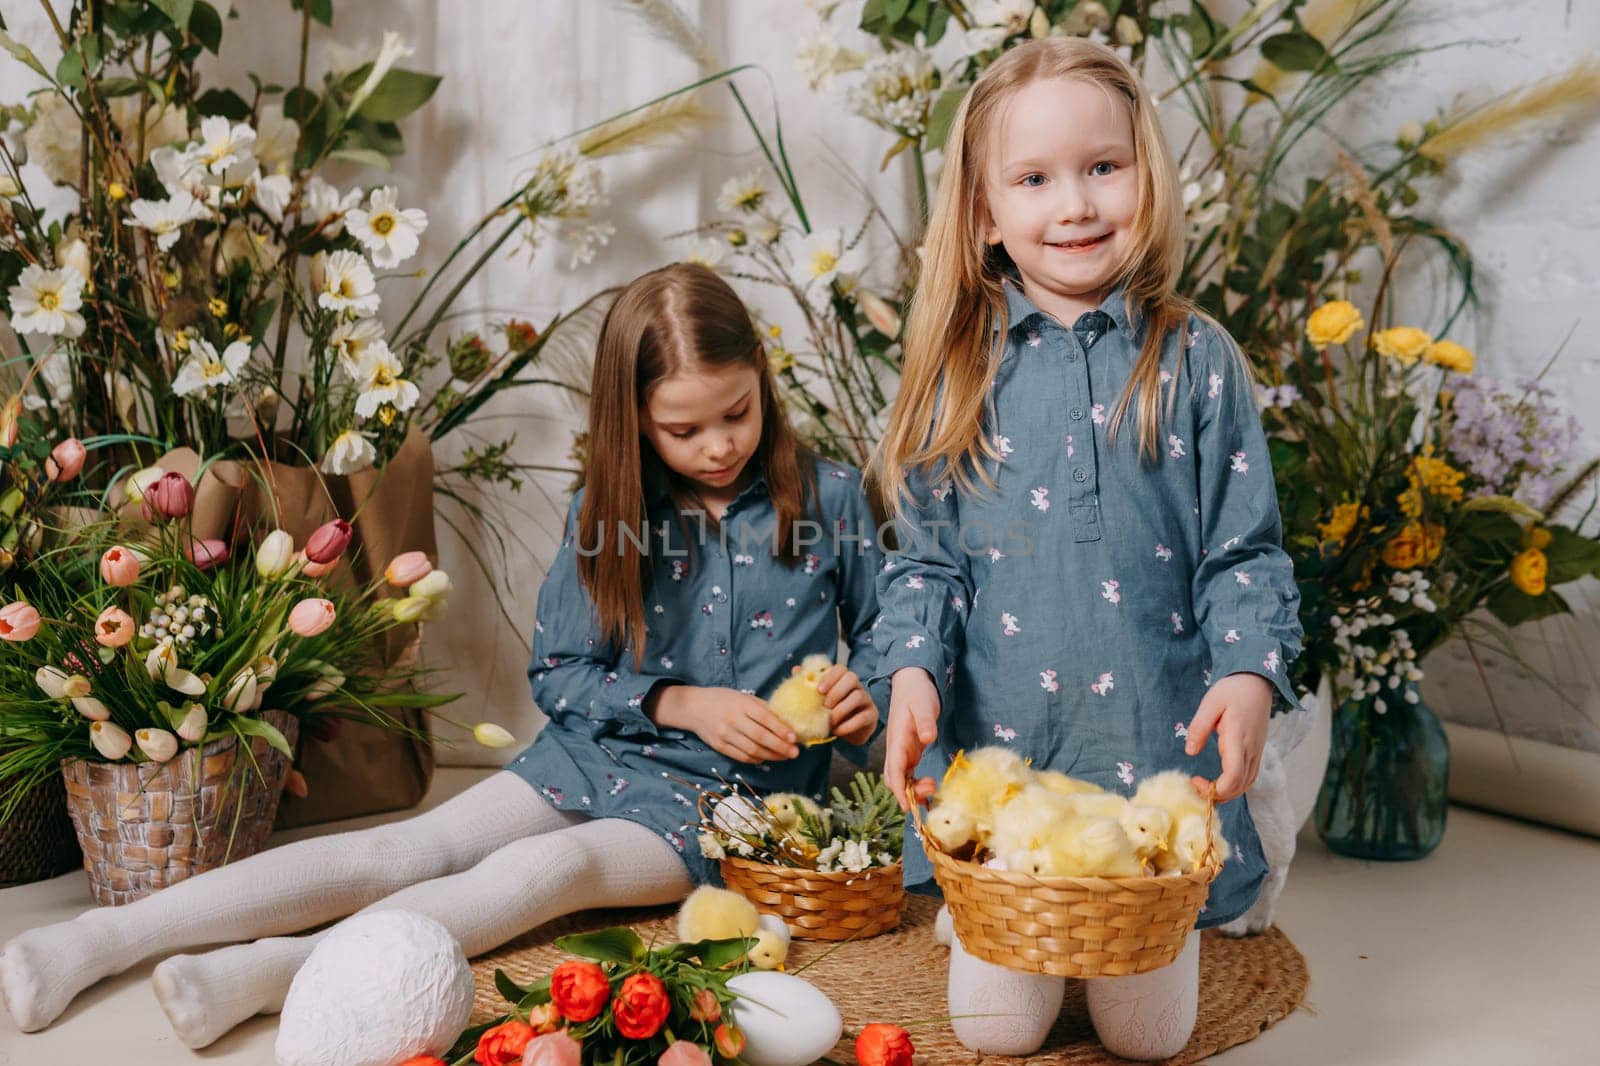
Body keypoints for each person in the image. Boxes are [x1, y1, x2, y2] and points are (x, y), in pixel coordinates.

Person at [0, 262, 884, 1047]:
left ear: (762, 380)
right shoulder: (607, 511)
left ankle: (274, 971)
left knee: (549, 872)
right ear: (633, 422)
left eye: (736, 413)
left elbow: (890, 630)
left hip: (726, 804)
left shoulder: (833, 497)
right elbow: (562, 674)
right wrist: (682, 702)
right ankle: (95, 940)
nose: (720, 444)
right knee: (410, 848)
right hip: (595, 753)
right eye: (683, 431)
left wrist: (863, 694)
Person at [869, 38, 1304, 1060]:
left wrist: (1247, 672)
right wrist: (908, 668)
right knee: (997, 1032)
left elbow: (1245, 551)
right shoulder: (956, 373)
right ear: (984, 213)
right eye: (1033, 178)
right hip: (1010, 770)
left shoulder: (1195, 360)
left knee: (1146, 1039)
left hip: (1155, 769)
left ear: (1145, 175)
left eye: (1102, 167)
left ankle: (1140, 929)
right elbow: (923, 560)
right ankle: (988, 919)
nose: (1074, 203)